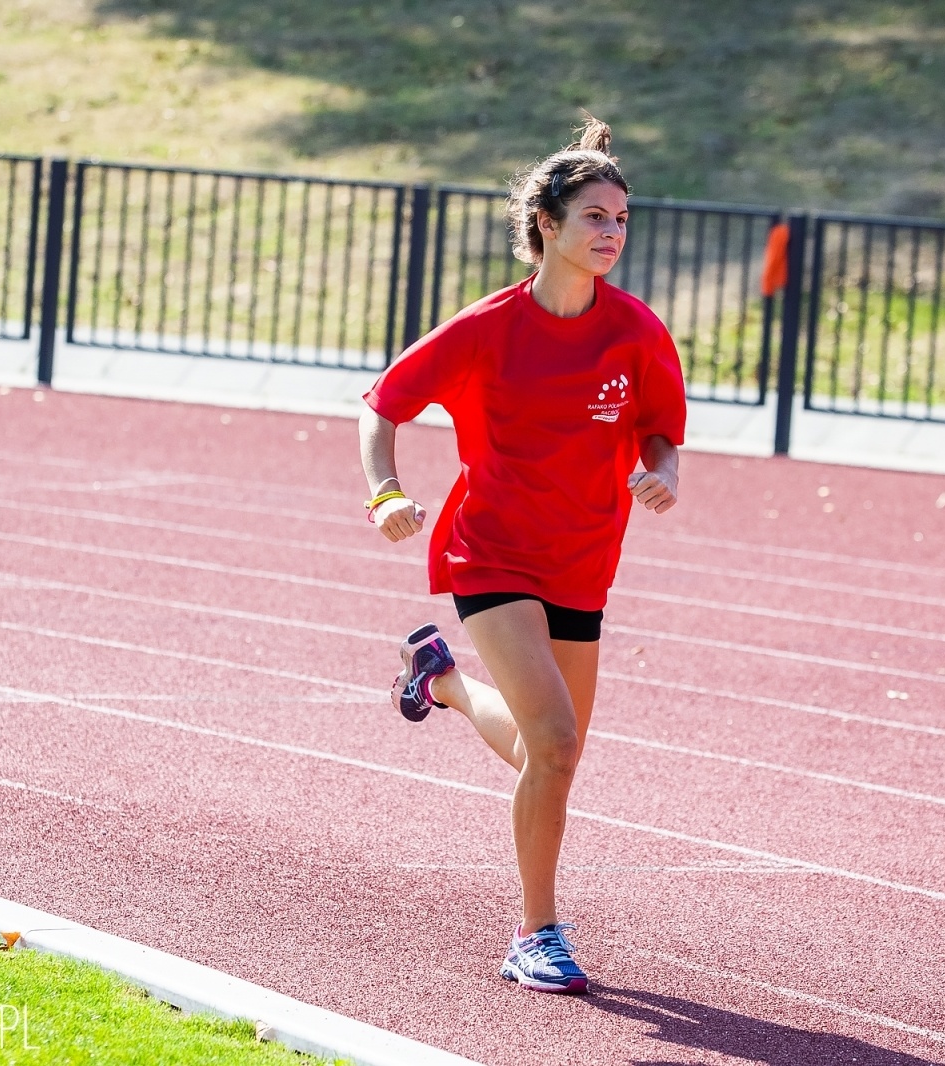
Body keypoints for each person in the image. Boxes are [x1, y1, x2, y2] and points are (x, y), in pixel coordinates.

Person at [357, 115, 686, 994]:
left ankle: (444, 682)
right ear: (547, 223)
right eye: (595, 218)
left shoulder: (637, 332)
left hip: (584, 558)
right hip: (491, 553)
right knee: (555, 736)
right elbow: (383, 405)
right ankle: (534, 934)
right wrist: (386, 490)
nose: (612, 234)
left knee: (557, 755)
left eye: (622, 220)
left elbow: (661, 434)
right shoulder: (487, 326)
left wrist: (664, 474)